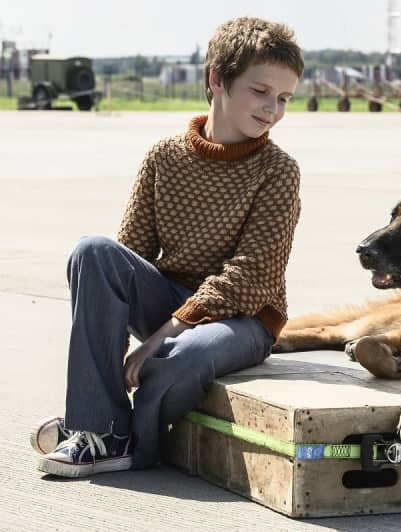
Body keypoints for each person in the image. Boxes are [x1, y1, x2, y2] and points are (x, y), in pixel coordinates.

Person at [30, 17, 303, 477]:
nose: (272, 109)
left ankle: (121, 439)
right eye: (260, 91)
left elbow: (252, 274)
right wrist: (115, 353)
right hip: (170, 300)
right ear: (217, 79)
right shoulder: (164, 156)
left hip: (245, 318)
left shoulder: (278, 170)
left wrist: (159, 337)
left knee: (184, 357)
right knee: (92, 251)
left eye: (283, 99)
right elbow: (127, 255)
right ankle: (100, 429)